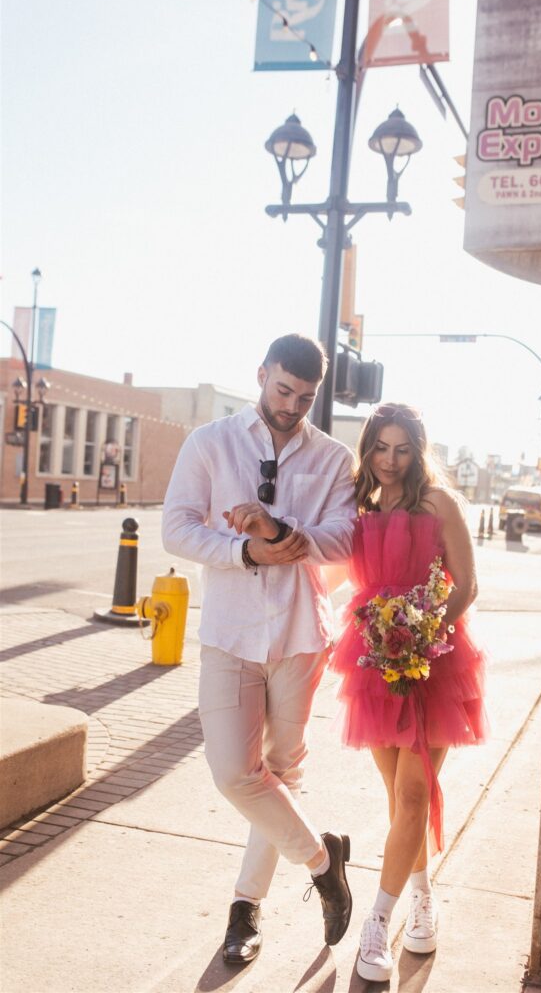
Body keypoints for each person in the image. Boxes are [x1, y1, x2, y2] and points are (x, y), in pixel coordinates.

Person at [162, 334, 356, 964]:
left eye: (304, 397)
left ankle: (245, 910)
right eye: (282, 390)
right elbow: (176, 528)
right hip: (229, 633)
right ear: (261, 375)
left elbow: (342, 539)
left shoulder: (333, 459)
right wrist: (244, 551)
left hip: (302, 636)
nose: (291, 406)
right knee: (235, 774)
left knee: (283, 772)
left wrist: (281, 532)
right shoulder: (209, 443)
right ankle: (325, 863)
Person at [329, 403, 488, 982]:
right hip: (374, 658)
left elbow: (467, 584)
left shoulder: (440, 503)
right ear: (367, 448)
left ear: (418, 451)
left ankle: (377, 924)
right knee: (400, 799)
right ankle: (422, 892)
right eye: (380, 448)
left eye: (402, 449)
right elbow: (338, 573)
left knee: (416, 792)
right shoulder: (359, 506)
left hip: (434, 659)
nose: (389, 460)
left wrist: (424, 636)